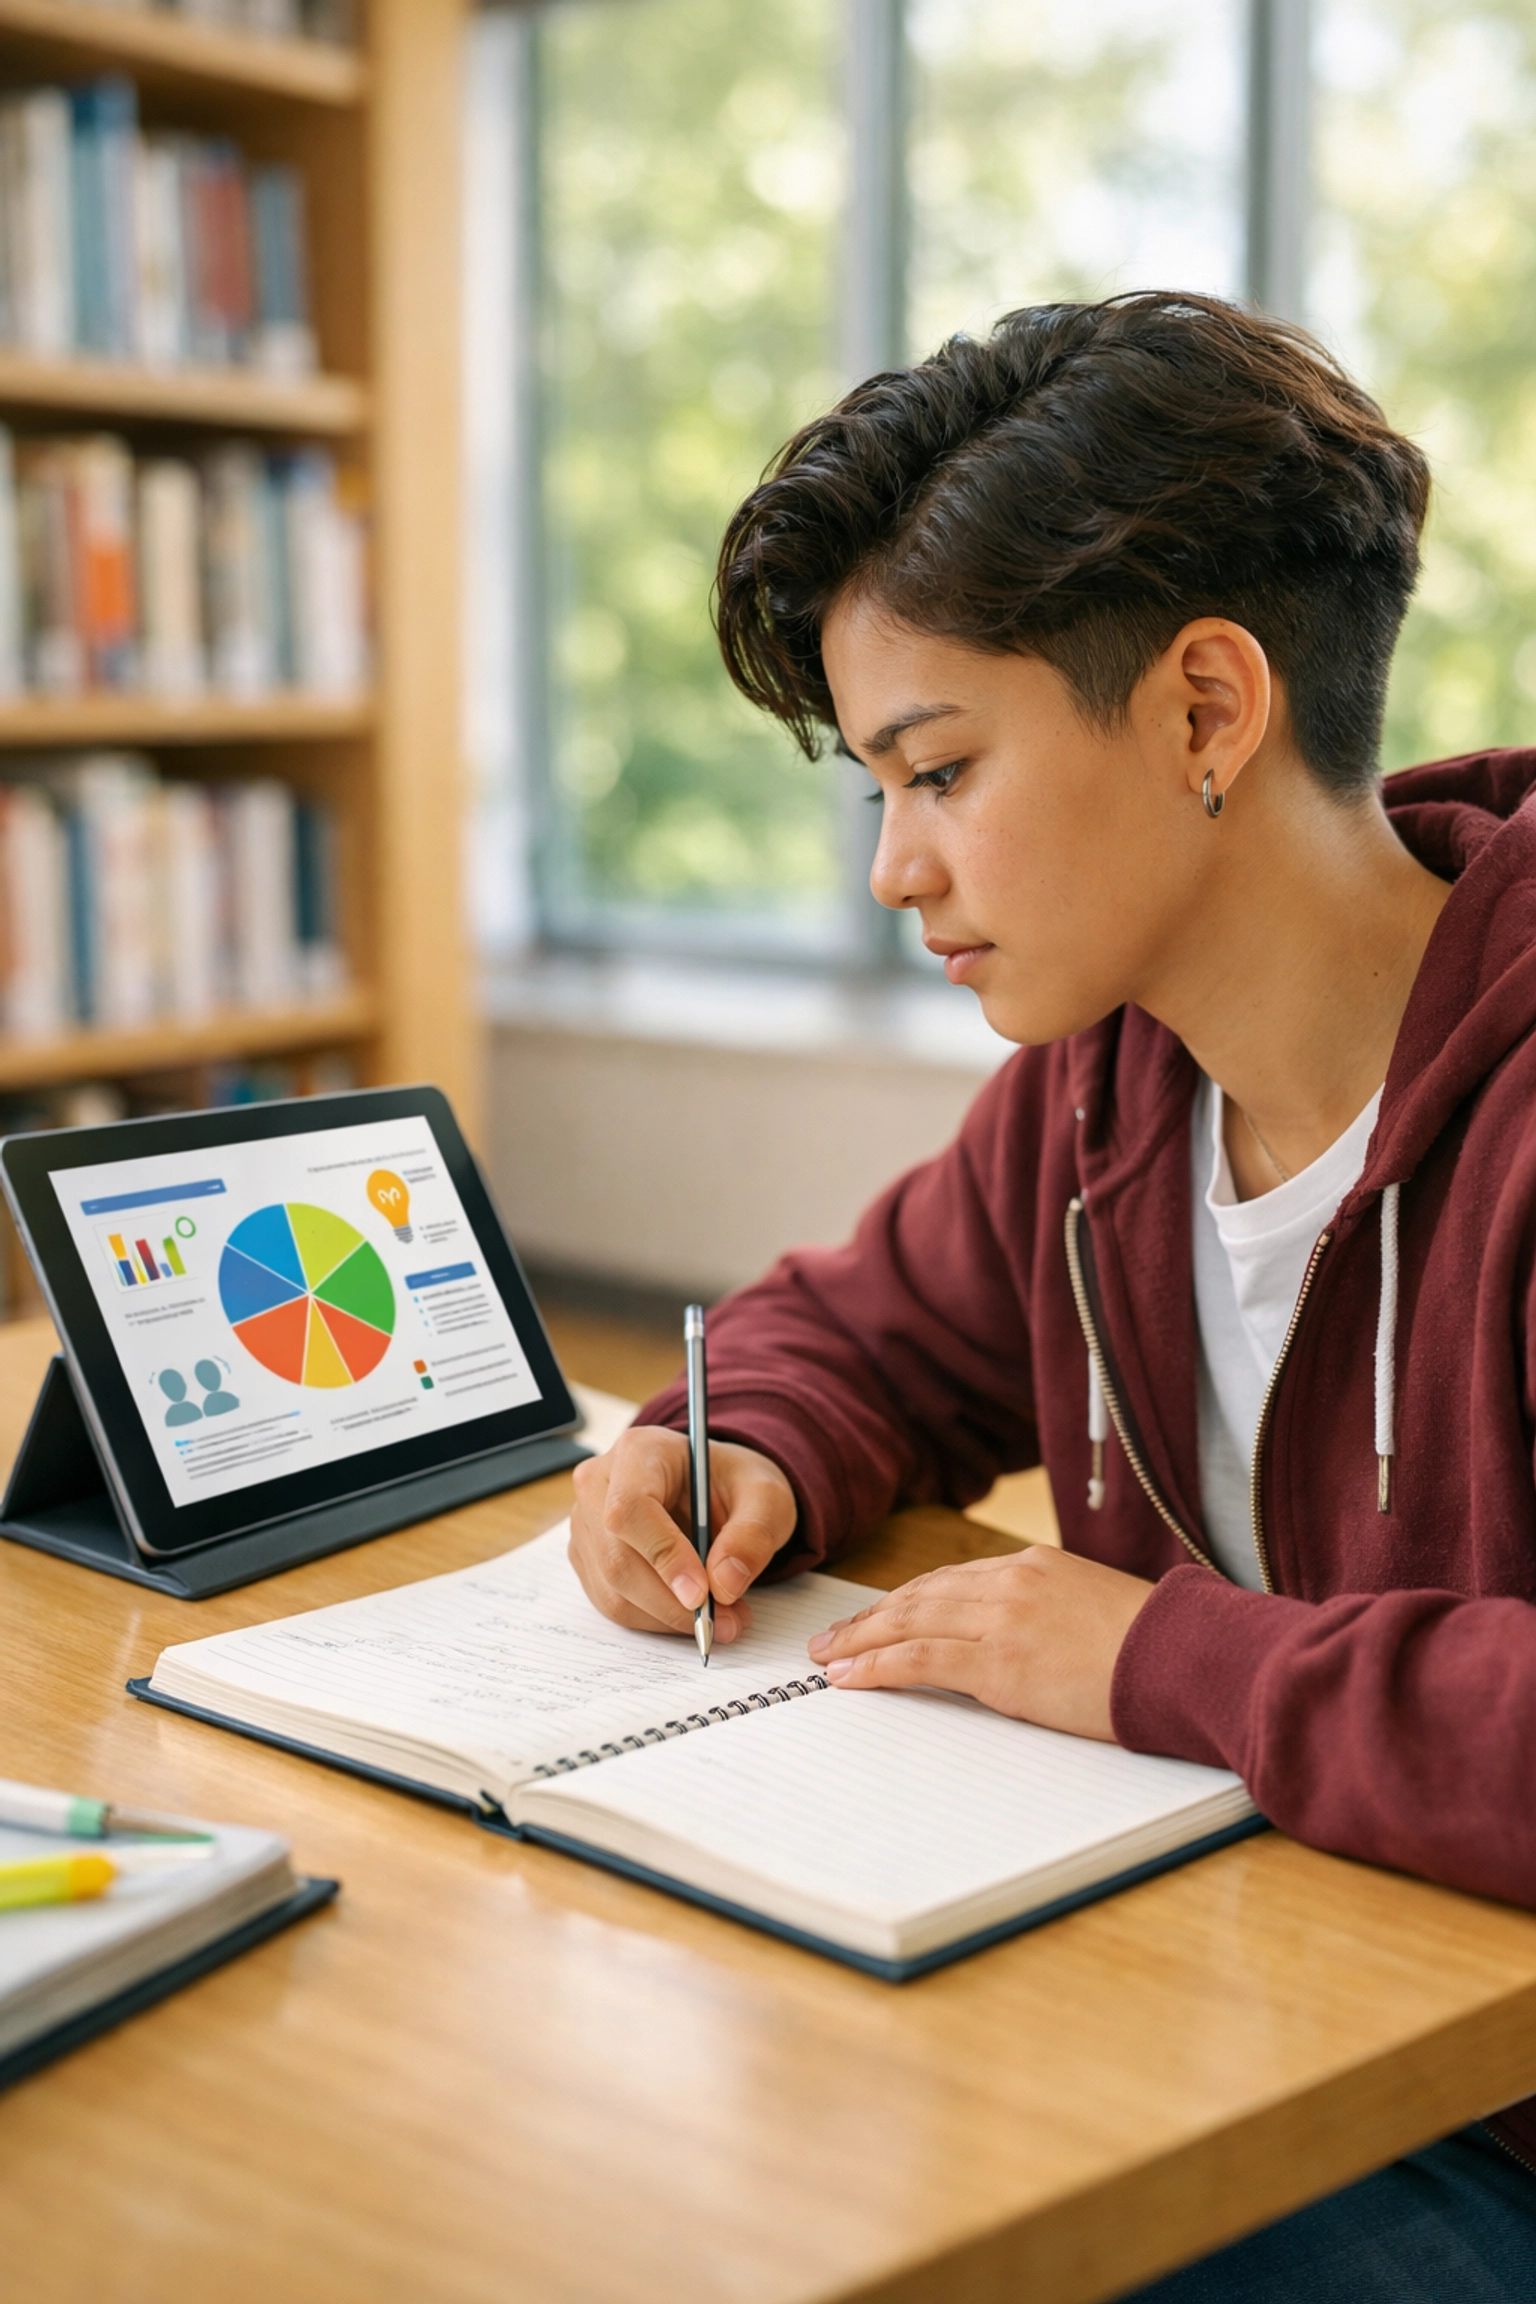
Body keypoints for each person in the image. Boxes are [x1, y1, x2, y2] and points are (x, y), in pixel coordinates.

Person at [566, 292, 1536, 2296]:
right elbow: (852, 1331)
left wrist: (1157, 1664)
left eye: (937, 771)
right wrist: (729, 1440)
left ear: (1203, 711)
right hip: (1246, 1999)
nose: (892, 872)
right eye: (874, 793)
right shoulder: (1100, 1094)